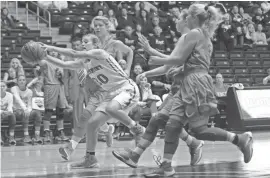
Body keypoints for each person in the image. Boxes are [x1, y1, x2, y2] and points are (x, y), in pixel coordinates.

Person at [142, 4, 253, 177]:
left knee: (193, 128)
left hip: (195, 83)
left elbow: (178, 58)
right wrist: (172, 65)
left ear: (194, 18)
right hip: (192, 80)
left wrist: (155, 58)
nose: (185, 19)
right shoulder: (202, 35)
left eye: (187, 17)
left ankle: (239, 139)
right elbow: (185, 61)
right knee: (177, 125)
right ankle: (167, 166)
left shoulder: (195, 33)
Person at [112, 9, 204, 168]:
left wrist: (150, 50)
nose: (175, 22)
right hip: (178, 88)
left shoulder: (190, 38)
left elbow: (176, 62)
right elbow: (168, 66)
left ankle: (153, 161)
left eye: (177, 19)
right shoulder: (183, 39)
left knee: (164, 122)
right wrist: (147, 73)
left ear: (185, 21)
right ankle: (192, 144)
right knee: (161, 120)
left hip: (187, 88)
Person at [39, 33, 145, 168]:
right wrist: (46, 57)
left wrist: (48, 47)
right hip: (110, 93)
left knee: (110, 109)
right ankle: (90, 158)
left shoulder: (100, 53)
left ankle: (137, 129)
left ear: (95, 45)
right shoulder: (85, 63)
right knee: (92, 123)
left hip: (126, 87)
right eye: (82, 42)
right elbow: (65, 64)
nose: (83, 44)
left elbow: (73, 52)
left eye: (86, 42)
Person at [36, 50, 69, 142]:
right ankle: (46, 132)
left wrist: (61, 74)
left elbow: (64, 78)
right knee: (49, 111)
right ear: (48, 53)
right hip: (50, 86)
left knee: (60, 111)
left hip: (60, 86)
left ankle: (60, 131)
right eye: (51, 51)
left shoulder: (60, 63)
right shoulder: (46, 61)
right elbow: (40, 62)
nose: (53, 53)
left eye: (55, 51)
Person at [11, 75, 42, 143]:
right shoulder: (14, 88)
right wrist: (25, 109)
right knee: (24, 113)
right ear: (17, 82)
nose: (22, 81)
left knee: (37, 113)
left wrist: (28, 110)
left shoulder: (29, 91)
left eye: (23, 80)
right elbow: (18, 99)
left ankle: (37, 135)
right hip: (16, 111)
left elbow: (30, 105)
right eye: (20, 80)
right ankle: (26, 136)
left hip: (26, 111)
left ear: (26, 81)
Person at [1, 81, 16, 145]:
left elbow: (10, 106)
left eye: (3, 86)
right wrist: (2, 112)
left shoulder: (10, 95)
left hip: (6, 113)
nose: (1, 87)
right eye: (0, 86)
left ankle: (11, 137)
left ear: (6, 87)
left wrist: (9, 112)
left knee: (12, 115)